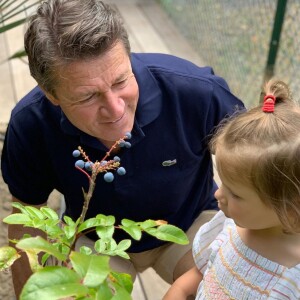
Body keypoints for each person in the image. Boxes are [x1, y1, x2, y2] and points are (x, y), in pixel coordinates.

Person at [1, 0, 244, 297]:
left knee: (236, 284)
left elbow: (264, 171)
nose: (115, 109)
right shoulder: (30, 124)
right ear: (50, 94)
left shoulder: (196, 92)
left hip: (191, 226)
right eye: (88, 97)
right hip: (94, 240)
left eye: (120, 80)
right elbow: (27, 223)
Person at [163, 79, 300, 300]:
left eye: (235, 194)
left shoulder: (292, 280)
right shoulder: (226, 228)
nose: (218, 194)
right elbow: (191, 281)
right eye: (223, 183)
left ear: (291, 206)